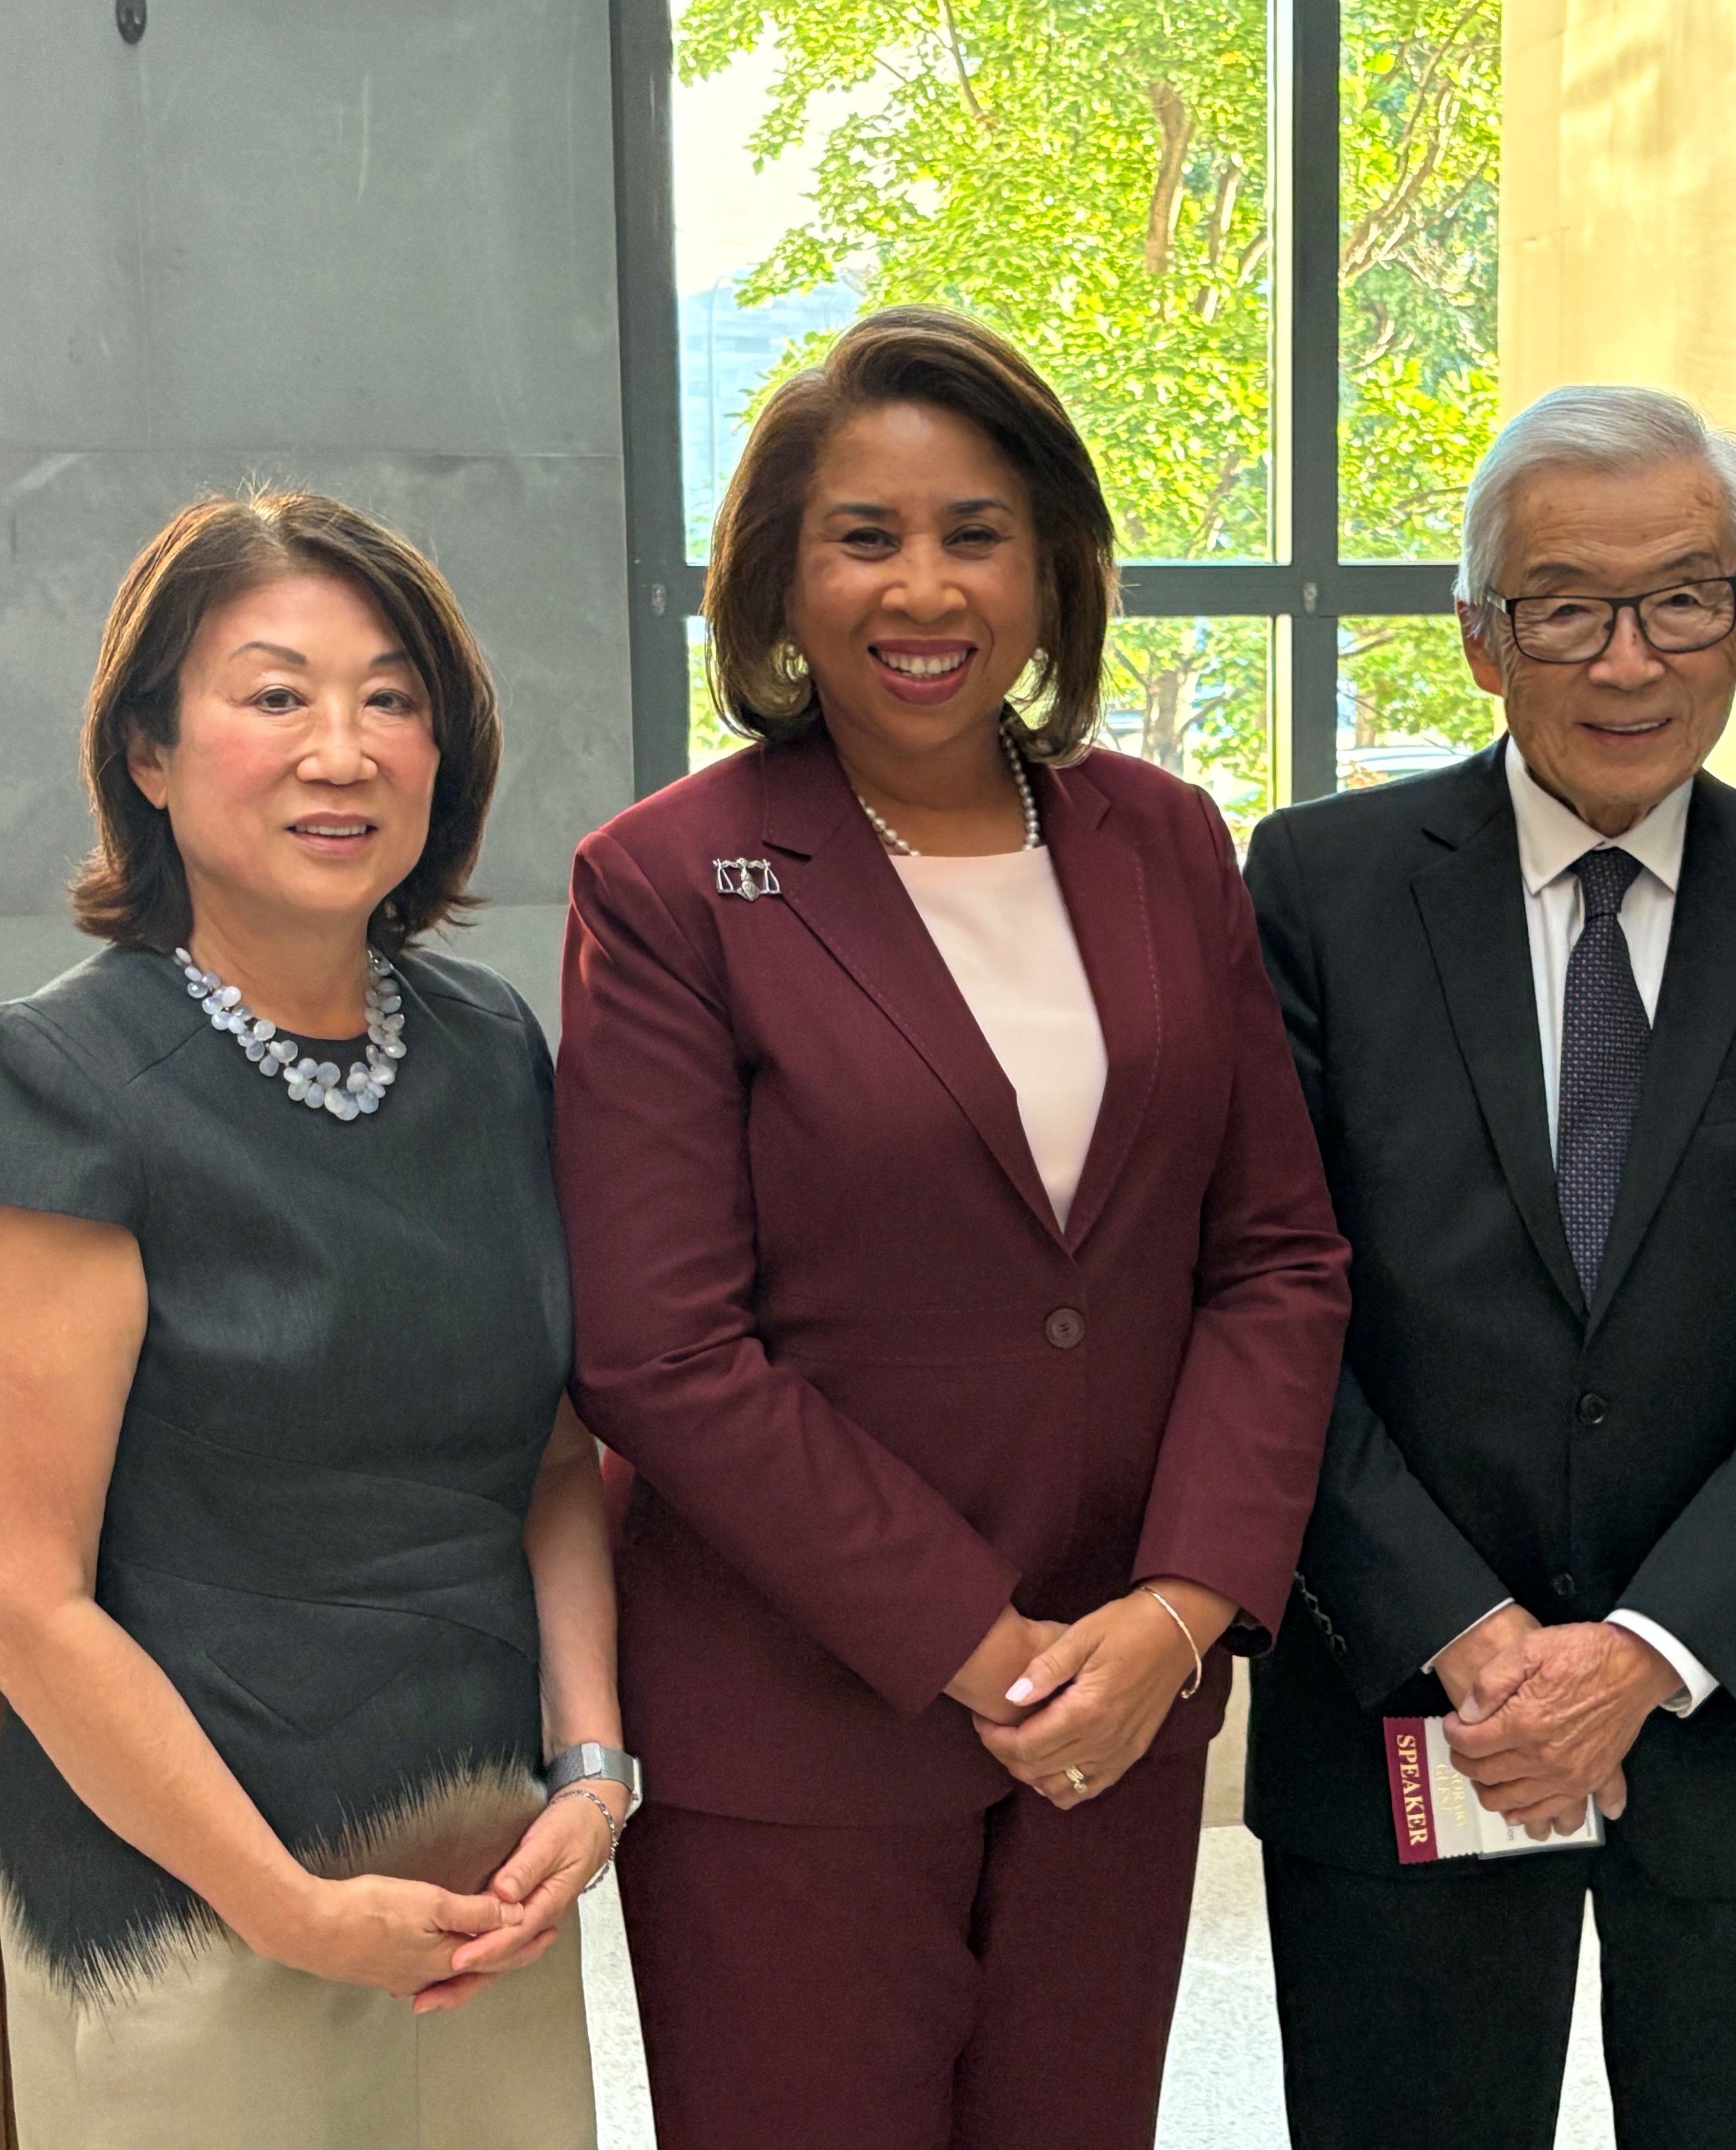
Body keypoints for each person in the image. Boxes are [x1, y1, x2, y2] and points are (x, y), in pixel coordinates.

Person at [552, 304, 1350, 2150]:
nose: (924, 587)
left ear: (1054, 571)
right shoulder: (668, 881)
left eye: (975, 532)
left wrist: (1182, 1608)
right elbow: (662, 1348)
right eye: (866, 536)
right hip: (797, 1726)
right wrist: (985, 1643)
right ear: (780, 580)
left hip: (1121, 1709)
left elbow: (1275, 1257)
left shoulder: (1167, 841)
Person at [1242, 385, 1736, 2150]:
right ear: (1481, 638)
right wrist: (1472, 1639)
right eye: (1564, 606)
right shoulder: (1318, 889)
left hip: (1728, 1724)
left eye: (1683, 598)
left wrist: (1637, 1652)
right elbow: (1270, 1304)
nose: (1630, 660)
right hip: (1408, 1707)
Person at [0, 492, 623, 2149]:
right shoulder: (55, 1082)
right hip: (185, 1903)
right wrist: (286, 1903)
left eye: (392, 699)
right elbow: (18, 1594)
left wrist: (593, 1770)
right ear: (149, 751)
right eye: (276, 693)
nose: (343, 749)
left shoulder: (492, 1049)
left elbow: (551, 1465)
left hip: (485, 1877)